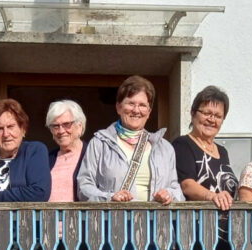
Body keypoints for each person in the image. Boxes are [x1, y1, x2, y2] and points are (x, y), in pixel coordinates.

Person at [77, 75, 183, 203]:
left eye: (142, 105)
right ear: (119, 107)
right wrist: (109, 198)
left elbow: (176, 190)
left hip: (155, 216)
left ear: (149, 112)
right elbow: (84, 187)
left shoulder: (164, 147)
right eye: (131, 103)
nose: (136, 110)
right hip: (114, 216)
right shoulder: (100, 144)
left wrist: (169, 195)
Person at [173, 85, 238, 211]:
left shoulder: (222, 151)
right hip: (198, 220)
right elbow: (187, 185)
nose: (212, 120)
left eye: (218, 116)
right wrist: (213, 196)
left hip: (225, 220)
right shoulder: (182, 144)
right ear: (193, 113)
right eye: (207, 113)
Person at [45, 99, 87, 202]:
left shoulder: (92, 155)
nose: (61, 131)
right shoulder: (47, 158)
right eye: (55, 126)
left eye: (67, 124)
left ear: (80, 126)